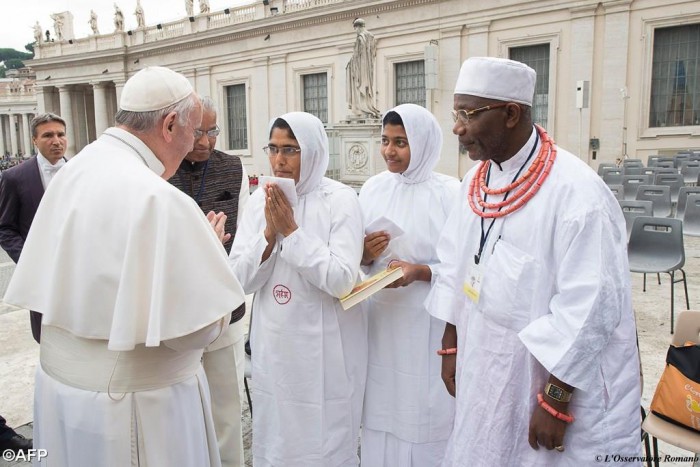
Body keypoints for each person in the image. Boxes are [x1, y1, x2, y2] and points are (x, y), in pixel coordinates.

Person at [3, 66, 246, 467]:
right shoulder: (160, 199)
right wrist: (207, 250)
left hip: (61, 394)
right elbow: (199, 330)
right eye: (191, 131)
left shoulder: (72, 172)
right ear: (169, 125)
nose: (192, 146)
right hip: (136, 410)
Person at [426, 56, 642, 465]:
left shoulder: (577, 194)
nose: (457, 127)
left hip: (553, 386)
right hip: (485, 364)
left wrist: (556, 400)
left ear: (510, 114)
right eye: (456, 114)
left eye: (468, 114)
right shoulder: (476, 181)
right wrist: (451, 342)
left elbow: (593, 308)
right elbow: (455, 264)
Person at [229, 112, 366, 466]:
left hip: (325, 353)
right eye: (273, 148)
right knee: (278, 438)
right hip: (275, 346)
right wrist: (268, 236)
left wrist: (292, 233)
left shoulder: (340, 200)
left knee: (324, 442)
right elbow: (239, 280)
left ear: (314, 151)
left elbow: (341, 280)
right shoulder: (262, 199)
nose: (279, 159)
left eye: (291, 149)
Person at [358, 103, 459, 466]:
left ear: (424, 143)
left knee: (423, 404)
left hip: (427, 321)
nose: (389, 151)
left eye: (400, 142)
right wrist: (366, 254)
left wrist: (419, 271)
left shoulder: (451, 194)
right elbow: (355, 258)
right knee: (383, 402)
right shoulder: (372, 188)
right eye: (385, 140)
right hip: (381, 321)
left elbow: (465, 268)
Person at [169, 96, 249, 467]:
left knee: (227, 406)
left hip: (225, 310)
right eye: (198, 132)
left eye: (212, 131)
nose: (204, 141)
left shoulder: (233, 168)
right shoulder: (160, 169)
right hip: (175, 311)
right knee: (176, 407)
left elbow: (247, 235)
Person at [0, 113, 67, 344]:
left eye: (60, 134)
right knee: (46, 338)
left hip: (79, 269)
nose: (56, 140)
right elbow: (5, 228)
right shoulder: (13, 177)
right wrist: (29, 261)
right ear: (34, 140)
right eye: (48, 135)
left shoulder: (82, 171)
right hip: (41, 272)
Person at [346, 18, 380, 118]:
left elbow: (357, 55)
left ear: (358, 27)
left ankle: (362, 108)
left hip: (361, 69)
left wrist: (351, 63)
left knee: (359, 86)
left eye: (355, 28)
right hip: (368, 68)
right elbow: (373, 53)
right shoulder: (371, 36)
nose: (355, 31)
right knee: (366, 88)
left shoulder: (360, 37)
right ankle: (366, 107)